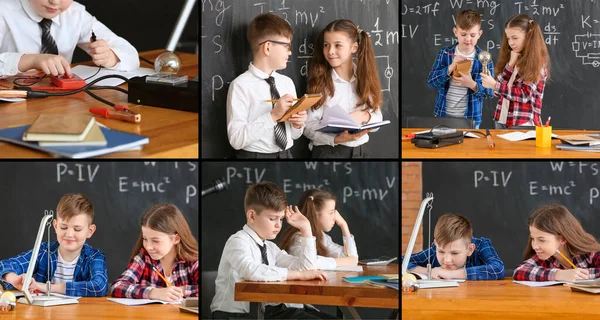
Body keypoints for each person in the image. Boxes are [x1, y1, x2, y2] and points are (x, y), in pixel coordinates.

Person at [226, 13, 307, 159]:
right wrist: (273, 115)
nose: (290, 52)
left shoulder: (287, 83)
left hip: (287, 155)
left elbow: (294, 136)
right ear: (268, 47)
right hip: (254, 157)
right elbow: (236, 140)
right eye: (286, 46)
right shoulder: (240, 85)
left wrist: (298, 124)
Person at [0, 193, 108, 296]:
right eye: (63, 227)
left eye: (77, 229)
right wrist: (14, 279)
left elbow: (99, 286)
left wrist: (44, 287)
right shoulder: (44, 251)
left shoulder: (95, 256)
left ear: (90, 231)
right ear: (55, 226)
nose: (69, 234)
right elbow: (4, 266)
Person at [304, 19, 383, 158]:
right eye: (326, 45)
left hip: (361, 151)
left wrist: (364, 115)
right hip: (329, 152)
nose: (330, 51)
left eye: (338, 45)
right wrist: (336, 139)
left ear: (354, 47)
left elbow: (377, 120)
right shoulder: (320, 83)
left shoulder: (365, 79)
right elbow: (307, 126)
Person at [110, 203, 198, 300]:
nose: (148, 247)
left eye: (155, 241)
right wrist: (153, 292)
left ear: (176, 239)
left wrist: (182, 291)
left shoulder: (193, 260)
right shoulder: (143, 258)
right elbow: (117, 286)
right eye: (145, 239)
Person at [427, 9, 494, 129]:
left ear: (479, 34)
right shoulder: (445, 53)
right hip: (443, 115)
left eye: (472, 35)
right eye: (463, 34)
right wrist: (450, 68)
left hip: (471, 118)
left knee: (470, 147)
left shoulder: (484, 58)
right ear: (455, 32)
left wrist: (472, 84)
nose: (468, 39)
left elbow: (489, 92)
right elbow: (431, 82)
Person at [480, 14, 550, 128]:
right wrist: (510, 64)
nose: (511, 42)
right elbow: (497, 92)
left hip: (522, 122)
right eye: (508, 38)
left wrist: (494, 85)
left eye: (515, 38)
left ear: (528, 35)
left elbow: (524, 95)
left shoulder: (537, 63)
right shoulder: (512, 57)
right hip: (501, 118)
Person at [402, 213, 505, 280]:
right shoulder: (435, 248)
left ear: (470, 249)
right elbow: (404, 261)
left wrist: (451, 274)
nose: (447, 260)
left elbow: (498, 269)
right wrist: (430, 271)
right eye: (441, 252)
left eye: (454, 253)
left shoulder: (482, 245)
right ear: (436, 244)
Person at [513, 204, 600, 282]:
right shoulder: (546, 258)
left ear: (562, 239)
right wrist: (559, 274)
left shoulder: (589, 254)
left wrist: (580, 274)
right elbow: (519, 271)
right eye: (533, 239)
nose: (535, 246)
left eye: (542, 240)